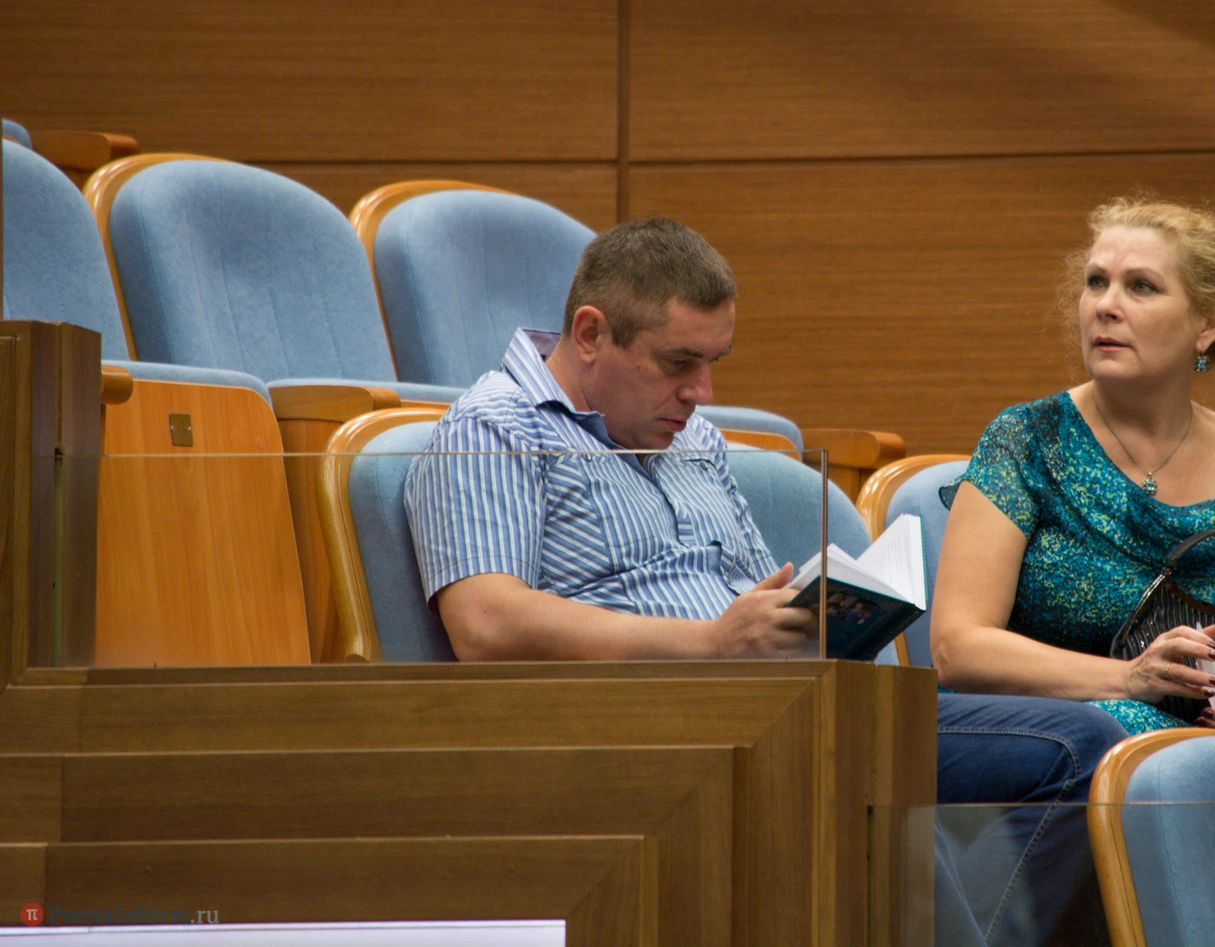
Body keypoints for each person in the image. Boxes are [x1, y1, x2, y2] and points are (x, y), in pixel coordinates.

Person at [404, 216, 1125, 947]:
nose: (702, 392)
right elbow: (485, 624)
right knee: (882, 780)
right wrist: (711, 643)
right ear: (591, 333)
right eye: (679, 362)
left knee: (1089, 745)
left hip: (786, 706)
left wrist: (815, 616)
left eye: (714, 362)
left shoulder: (693, 437)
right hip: (653, 731)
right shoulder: (493, 428)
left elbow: (752, 595)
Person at [930, 196, 1215, 746]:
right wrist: (1128, 679)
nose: (1105, 305)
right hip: (1054, 743)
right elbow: (957, 649)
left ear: (1207, 325)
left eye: (1141, 287)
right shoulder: (1028, 440)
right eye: (1096, 282)